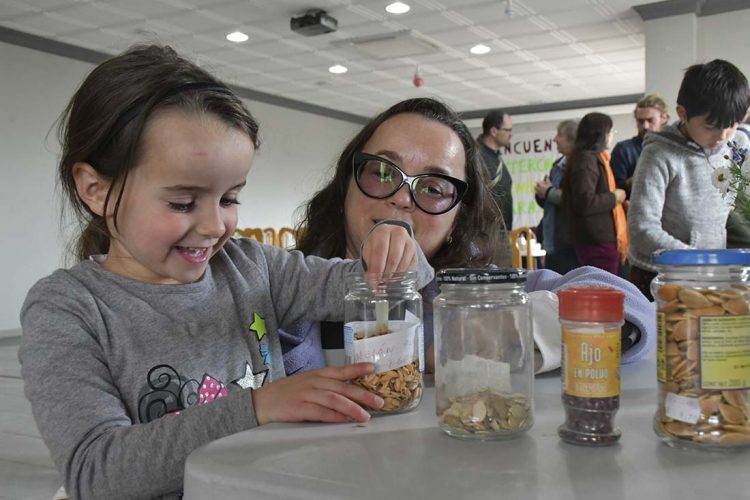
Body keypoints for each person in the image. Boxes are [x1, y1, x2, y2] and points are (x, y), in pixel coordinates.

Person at [18, 45, 433, 500]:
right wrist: (258, 407)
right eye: (182, 203)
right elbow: (96, 473)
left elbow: (380, 281)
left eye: (230, 198)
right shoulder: (67, 310)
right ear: (95, 190)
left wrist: (395, 243)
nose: (216, 226)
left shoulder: (252, 267)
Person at [282, 97, 655, 377]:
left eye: (433, 186)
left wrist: (487, 333)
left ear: (459, 215)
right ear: (347, 180)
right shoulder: (278, 286)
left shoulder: (471, 290)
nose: (400, 197)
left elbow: (633, 312)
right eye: (381, 171)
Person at [628, 59, 750, 299]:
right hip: (659, 275)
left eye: (732, 126)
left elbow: (736, 203)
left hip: (712, 274)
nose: (722, 136)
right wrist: (700, 261)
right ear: (683, 114)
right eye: (711, 126)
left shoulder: (738, 144)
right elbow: (642, 228)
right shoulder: (659, 153)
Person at [562, 112, 628, 275]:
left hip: (599, 238)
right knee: (604, 288)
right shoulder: (586, 159)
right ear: (602, 135)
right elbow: (585, 201)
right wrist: (615, 197)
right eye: (610, 132)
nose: (611, 136)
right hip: (597, 240)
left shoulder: (596, 158)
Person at [534, 119, 579, 274]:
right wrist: (541, 193)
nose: (555, 139)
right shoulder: (557, 165)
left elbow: (576, 201)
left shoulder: (581, 165)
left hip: (570, 243)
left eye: (559, 135)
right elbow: (550, 202)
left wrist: (548, 192)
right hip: (552, 239)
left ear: (572, 138)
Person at [610, 94, 670, 196]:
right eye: (640, 121)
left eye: (650, 120)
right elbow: (615, 188)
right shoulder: (623, 149)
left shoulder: (673, 149)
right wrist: (640, 178)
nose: (645, 126)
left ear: (663, 118)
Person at [477, 109, 513, 232]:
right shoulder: (478, 158)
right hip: (488, 233)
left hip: (500, 232)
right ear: (494, 131)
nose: (511, 134)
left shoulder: (495, 157)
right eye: (508, 130)